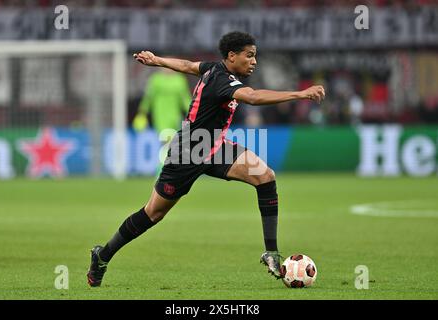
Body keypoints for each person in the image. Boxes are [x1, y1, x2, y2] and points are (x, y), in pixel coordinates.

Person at [87, 31, 325, 287]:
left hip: (213, 146)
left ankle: (271, 252)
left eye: (255, 56)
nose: (254, 61)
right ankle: (103, 255)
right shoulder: (222, 80)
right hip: (188, 152)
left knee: (265, 176)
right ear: (232, 56)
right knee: (153, 213)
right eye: (250, 55)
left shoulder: (213, 69)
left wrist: (158, 60)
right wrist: (300, 94)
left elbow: (189, 65)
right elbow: (254, 98)